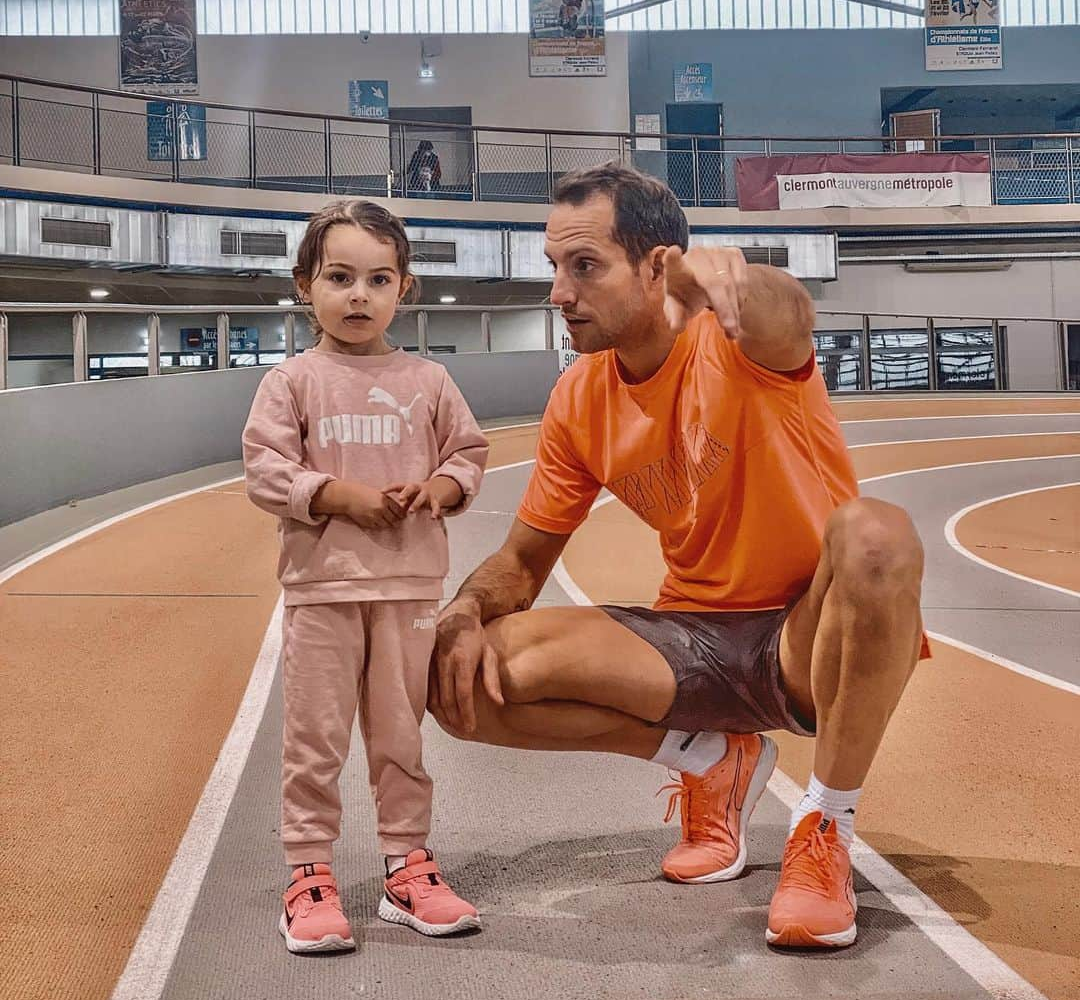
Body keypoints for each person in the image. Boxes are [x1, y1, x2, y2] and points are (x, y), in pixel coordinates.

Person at [430, 163, 927, 950]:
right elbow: (523, 566)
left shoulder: (736, 340)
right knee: (464, 678)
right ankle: (710, 760)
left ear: (655, 265)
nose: (559, 292)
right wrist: (462, 609)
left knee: (877, 535)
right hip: (689, 639)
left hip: (804, 638)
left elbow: (789, 315)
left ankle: (824, 829)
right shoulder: (579, 396)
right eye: (555, 267)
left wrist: (728, 280)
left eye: (584, 266)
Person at [243, 200, 489, 953]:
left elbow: (469, 454)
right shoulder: (291, 381)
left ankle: (406, 866)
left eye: (377, 280)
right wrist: (334, 495)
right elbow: (264, 468)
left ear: (404, 289)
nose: (358, 296)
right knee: (315, 741)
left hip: (409, 589)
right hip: (324, 591)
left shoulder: (429, 378)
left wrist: (441, 489)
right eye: (339, 277)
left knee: (400, 739)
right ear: (303, 285)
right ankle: (308, 873)